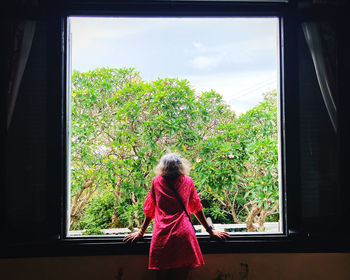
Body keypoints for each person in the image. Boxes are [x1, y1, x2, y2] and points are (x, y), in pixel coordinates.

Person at [123, 153, 230, 279]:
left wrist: (141, 232)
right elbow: (196, 208)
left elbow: (150, 210)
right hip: (183, 235)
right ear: (181, 166)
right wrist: (210, 230)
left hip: (161, 235)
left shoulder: (156, 182)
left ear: (162, 167)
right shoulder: (188, 181)